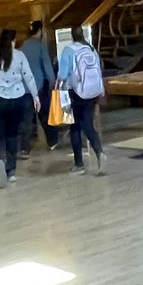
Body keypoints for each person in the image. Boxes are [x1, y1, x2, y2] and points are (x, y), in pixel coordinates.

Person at [0, 30, 38, 187]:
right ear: (13, 41)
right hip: (17, 100)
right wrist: (35, 97)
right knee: (12, 135)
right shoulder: (20, 56)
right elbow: (29, 77)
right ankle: (11, 172)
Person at [58, 27, 106, 176]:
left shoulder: (68, 50)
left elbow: (62, 74)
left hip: (75, 93)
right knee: (87, 123)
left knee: (75, 127)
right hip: (92, 92)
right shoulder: (91, 49)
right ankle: (99, 152)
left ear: (72, 36)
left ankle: (80, 164)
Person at [20, 19, 60, 155]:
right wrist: (53, 81)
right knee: (44, 114)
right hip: (39, 86)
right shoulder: (41, 46)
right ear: (40, 30)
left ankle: (25, 147)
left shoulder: (23, 46)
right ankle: (52, 140)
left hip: (25, 87)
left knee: (26, 118)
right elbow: (47, 65)